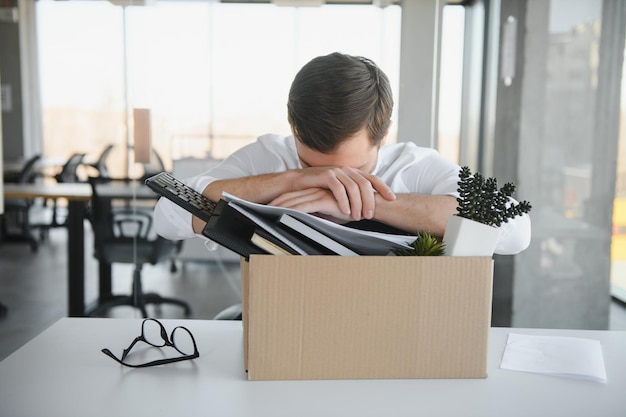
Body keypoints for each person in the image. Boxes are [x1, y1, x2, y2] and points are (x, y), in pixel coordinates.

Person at [155, 52, 530, 255]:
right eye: (313, 166)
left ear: (383, 137)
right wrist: (291, 179)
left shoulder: (415, 166)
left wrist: (368, 203)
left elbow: (515, 229)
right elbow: (167, 216)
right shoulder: (269, 157)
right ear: (294, 129)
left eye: (354, 171)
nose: (336, 182)